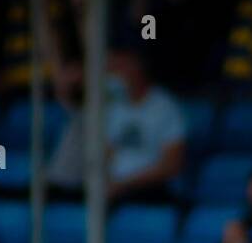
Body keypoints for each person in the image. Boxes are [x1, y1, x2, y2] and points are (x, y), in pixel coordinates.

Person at [46, 43, 186, 205]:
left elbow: (172, 165)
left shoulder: (165, 107)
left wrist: (125, 184)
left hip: (148, 188)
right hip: (112, 185)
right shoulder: (115, 102)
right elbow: (107, 149)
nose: (112, 73)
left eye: (118, 67)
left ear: (137, 68)